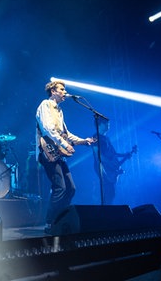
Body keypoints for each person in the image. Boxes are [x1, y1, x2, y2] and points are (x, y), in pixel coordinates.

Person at [36, 80, 95, 233]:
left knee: (71, 189)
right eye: (61, 89)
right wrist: (64, 144)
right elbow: (48, 129)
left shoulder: (59, 111)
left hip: (58, 152)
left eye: (64, 90)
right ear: (53, 91)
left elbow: (66, 134)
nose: (64, 92)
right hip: (47, 151)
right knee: (60, 187)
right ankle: (49, 223)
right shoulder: (45, 105)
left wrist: (82, 141)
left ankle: (60, 218)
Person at [92, 119, 136, 205]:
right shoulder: (96, 137)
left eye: (108, 124)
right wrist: (110, 164)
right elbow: (98, 155)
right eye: (105, 124)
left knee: (111, 192)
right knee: (108, 191)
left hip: (109, 167)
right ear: (99, 125)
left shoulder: (106, 138)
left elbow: (113, 154)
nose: (108, 126)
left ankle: (108, 210)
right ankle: (105, 212)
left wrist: (124, 155)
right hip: (103, 167)